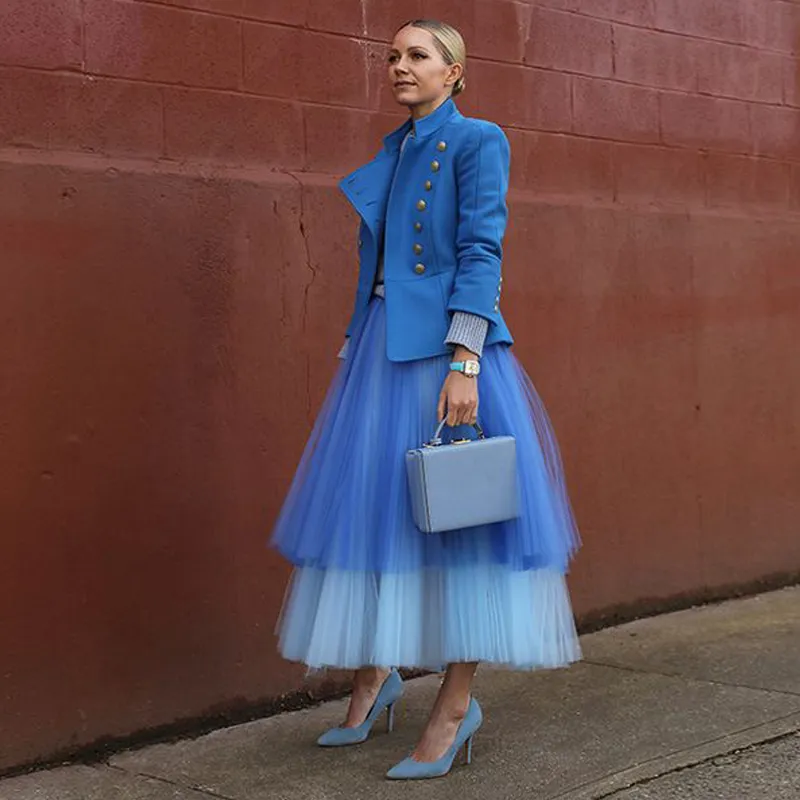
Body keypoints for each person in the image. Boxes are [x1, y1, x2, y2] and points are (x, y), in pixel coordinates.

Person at [269, 18, 581, 781]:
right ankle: (375, 677)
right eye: (392, 56)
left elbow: (482, 249)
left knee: (457, 521)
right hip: (380, 349)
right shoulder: (396, 147)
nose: (398, 67)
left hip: (446, 351)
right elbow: (377, 265)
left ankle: (454, 703)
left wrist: (466, 360)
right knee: (374, 508)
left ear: (455, 71)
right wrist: (354, 343)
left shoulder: (477, 141)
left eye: (417, 56)